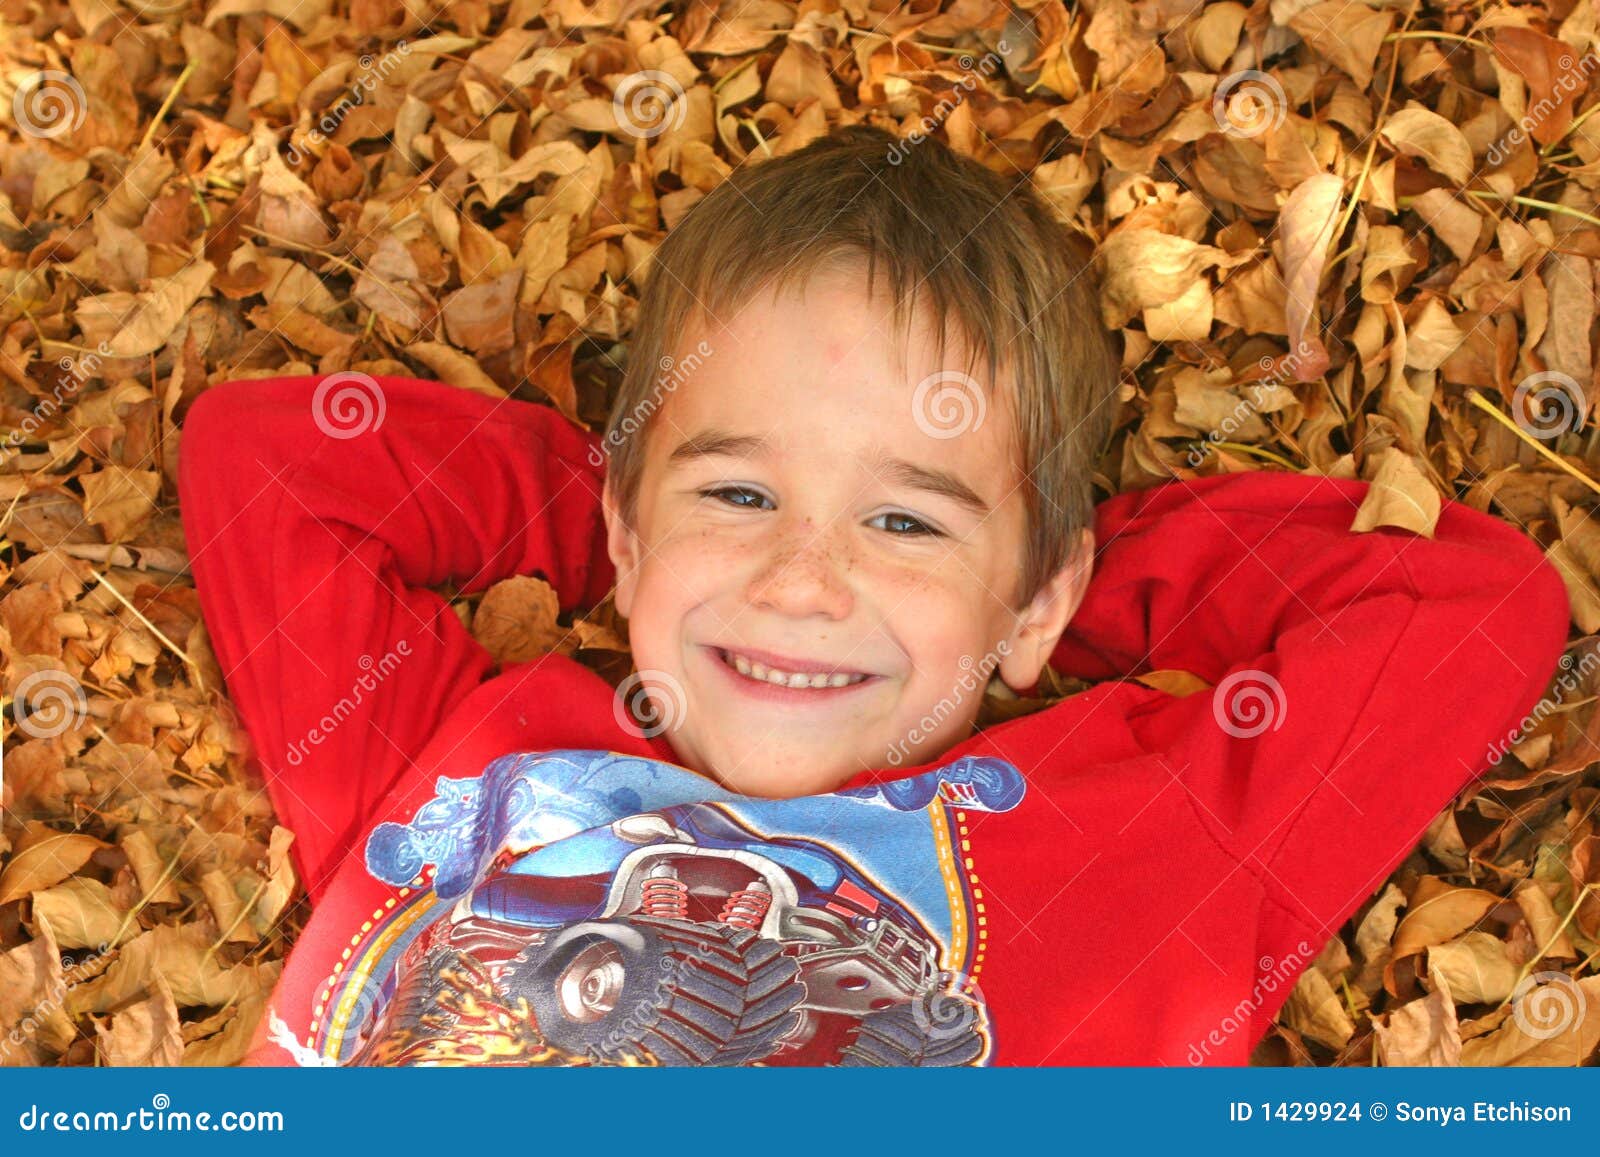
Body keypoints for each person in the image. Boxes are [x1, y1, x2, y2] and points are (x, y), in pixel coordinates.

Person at [178, 126, 1570, 1066]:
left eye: (903, 519)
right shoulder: (464, 769)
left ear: (1037, 601)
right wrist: (634, 526)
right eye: (740, 495)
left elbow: (1467, 606)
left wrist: (1021, 581)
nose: (801, 580)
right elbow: (265, 464)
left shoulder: (1146, 838)